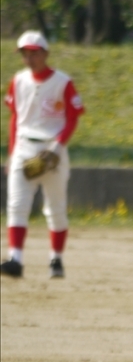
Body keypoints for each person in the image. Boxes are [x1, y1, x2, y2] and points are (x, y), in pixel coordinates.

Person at [1, 31, 85, 279]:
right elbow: (15, 117)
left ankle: (56, 259)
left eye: (34, 53)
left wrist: (57, 147)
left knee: (55, 208)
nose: (29, 58)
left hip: (52, 150)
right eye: (25, 54)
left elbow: (73, 118)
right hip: (24, 146)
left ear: (46, 53)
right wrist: (11, 153)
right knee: (17, 204)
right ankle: (15, 259)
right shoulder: (18, 81)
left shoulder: (62, 82)